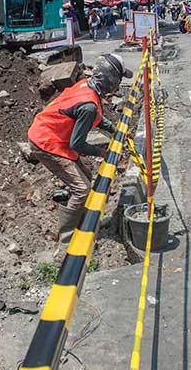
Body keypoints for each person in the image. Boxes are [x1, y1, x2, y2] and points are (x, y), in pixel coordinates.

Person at [28, 54, 132, 242]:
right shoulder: (89, 105)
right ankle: (67, 239)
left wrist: (116, 130)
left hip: (53, 135)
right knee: (82, 189)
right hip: (46, 142)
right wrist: (103, 152)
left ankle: (85, 222)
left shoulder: (87, 87)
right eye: (119, 79)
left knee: (87, 177)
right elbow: (78, 144)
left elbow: (96, 118)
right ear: (111, 80)